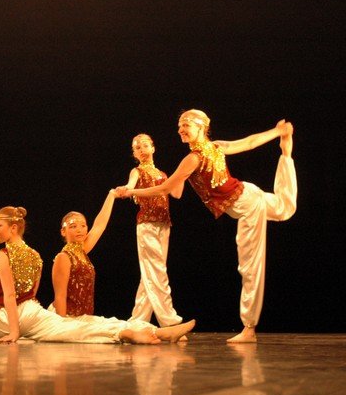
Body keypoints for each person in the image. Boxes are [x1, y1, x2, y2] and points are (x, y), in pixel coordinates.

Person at [116, 109, 296, 343]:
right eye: (179, 125)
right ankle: (286, 154)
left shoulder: (194, 158)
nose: (180, 129)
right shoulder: (215, 147)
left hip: (247, 206)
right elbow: (248, 143)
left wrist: (131, 192)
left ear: (201, 126)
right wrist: (278, 132)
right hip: (249, 193)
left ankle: (249, 328)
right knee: (284, 206)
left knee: (250, 265)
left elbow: (166, 189)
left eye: (186, 125)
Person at [0, 207, 195, 344]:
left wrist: (15, 332)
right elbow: (31, 295)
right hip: (33, 311)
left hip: (8, 318)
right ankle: (144, 331)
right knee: (75, 329)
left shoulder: (3, 255)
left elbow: (9, 296)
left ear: (13, 228)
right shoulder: (36, 255)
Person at [119, 133, 184, 328]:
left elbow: (177, 194)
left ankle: (138, 321)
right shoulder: (137, 171)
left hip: (164, 224)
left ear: (153, 148)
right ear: (134, 153)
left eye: (145, 145)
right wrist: (126, 190)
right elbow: (130, 186)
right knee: (157, 270)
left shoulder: (163, 175)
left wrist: (182, 174)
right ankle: (170, 321)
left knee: (151, 273)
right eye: (137, 147)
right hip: (146, 225)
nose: (142, 149)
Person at [50, 190, 116, 318]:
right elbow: (60, 296)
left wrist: (112, 195)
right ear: (63, 231)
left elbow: (100, 225)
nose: (79, 230)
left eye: (83, 226)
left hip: (84, 318)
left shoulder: (82, 251)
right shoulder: (63, 257)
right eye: (73, 226)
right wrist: (61, 325)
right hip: (66, 317)